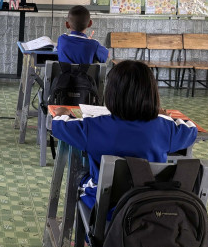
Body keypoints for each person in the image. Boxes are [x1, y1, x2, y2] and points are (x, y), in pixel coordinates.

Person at [51, 60, 198, 209]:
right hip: (147, 205)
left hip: (105, 207)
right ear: (152, 93)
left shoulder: (93, 126)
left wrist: (62, 113)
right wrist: (164, 116)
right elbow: (192, 129)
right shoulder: (166, 128)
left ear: (111, 94)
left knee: (83, 178)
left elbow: (58, 126)